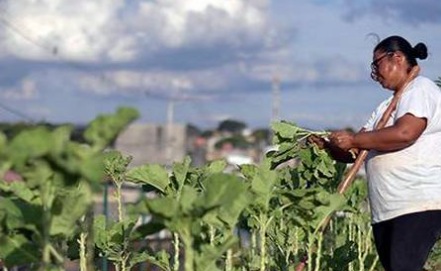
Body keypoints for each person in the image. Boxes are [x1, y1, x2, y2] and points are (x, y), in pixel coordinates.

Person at [313, 36, 441, 271]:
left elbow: (405, 133)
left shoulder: (420, 89)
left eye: (377, 64)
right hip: (387, 209)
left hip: (416, 202)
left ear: (398, 58)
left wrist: (352, 138)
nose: (375, 72)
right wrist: (329, 146)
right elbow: (355, 152)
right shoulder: (384, 107)